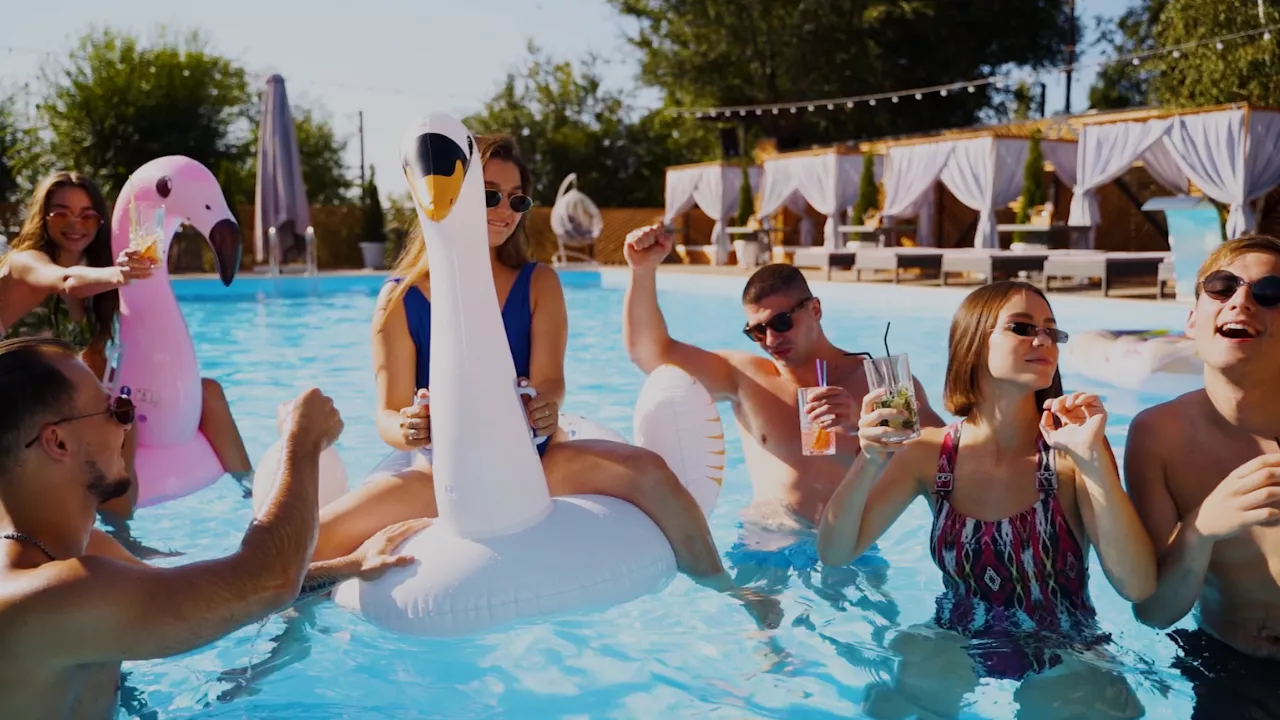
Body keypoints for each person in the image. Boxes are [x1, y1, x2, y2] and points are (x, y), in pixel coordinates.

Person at [311, 135, 773, 623]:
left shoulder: (538, 283)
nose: (505, 211)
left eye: (517, 200)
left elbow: (551, 381)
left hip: (536, 460)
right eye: (490, 195)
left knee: (652, 474)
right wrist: (407, 428)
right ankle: (286, 640)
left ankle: (726, 589)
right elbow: (386, 414)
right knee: (311, 541)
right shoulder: (400, 299)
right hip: (441, 474)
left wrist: (546, 406)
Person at [0, 337, 418, 719]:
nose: (126, 425)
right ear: (59, 442)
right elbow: (266, 580)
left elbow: (223, 595)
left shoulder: (85, 554)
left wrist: (349, 565)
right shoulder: (51, 594)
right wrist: (302, 439)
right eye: (115, 409)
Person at [817, 280, 1155, 718]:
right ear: (973, 343)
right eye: (1022, 327)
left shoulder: (1072, 449)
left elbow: (1136, 586)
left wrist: (1094, 463)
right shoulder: (928, 454)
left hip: (1066, 647)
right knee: (900, 693)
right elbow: (835, 552)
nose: (1043, 341)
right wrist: (869, 460)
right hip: (956, 640)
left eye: (1051, 331)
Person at [622, 226, 944, 569]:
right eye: (757, 331)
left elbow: (943, 456)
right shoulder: (747, 378)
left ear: (815, 309)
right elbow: (651, 356)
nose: (771, 339)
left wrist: (862, 424)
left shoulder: (878, 382)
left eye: (781, 322)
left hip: (851, 546)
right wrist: (642, 271)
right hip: (768, 542)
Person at [0, 171, 252, 518]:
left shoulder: (94, 282)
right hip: (13, 393)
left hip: (53, 390)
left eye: (87, 215)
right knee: (119, 425)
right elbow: (65, 280)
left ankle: (250, 492)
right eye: (62, 212)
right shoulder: (25, 262)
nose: (76, 224)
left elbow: (92, 359)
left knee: (205, 392)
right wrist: (119, 274)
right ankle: (122, 535)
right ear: (43, 217)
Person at [1125, 234, 1280, 718]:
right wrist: (1201, 528)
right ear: (1192, 321)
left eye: (1269, 292)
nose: (1241, 300)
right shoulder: (1157, 436)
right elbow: (1154, 612)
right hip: (1225, 666)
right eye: (1222, 286)